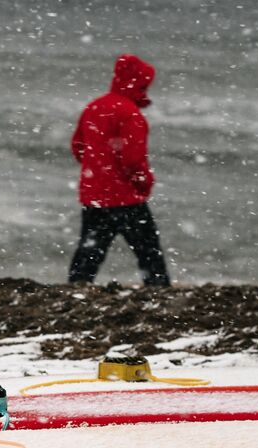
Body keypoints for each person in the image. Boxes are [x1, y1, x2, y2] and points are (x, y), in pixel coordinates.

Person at [67, 53, 172, 287]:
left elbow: (78, 148)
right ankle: (159, 293)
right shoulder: (130, 114)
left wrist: (98, 168)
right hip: (125, 198)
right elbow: (133, 160)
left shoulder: (94, 107)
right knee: (149, 253)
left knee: (89, 251)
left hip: (94, 195)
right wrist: (144, 183)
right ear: (140, 83)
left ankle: (75, 290)